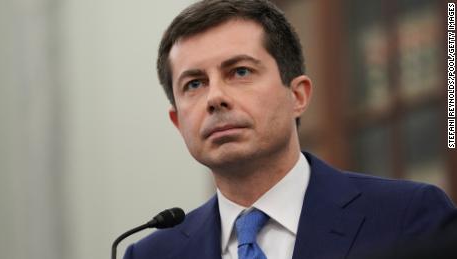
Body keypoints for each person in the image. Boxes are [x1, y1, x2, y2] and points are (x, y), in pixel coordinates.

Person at [124, 0, 456, 258]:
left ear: (297, 96)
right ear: (178, 123)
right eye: (194, 83)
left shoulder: (407, 217)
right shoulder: (151, 254)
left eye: (239, 72)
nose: (215, 98)